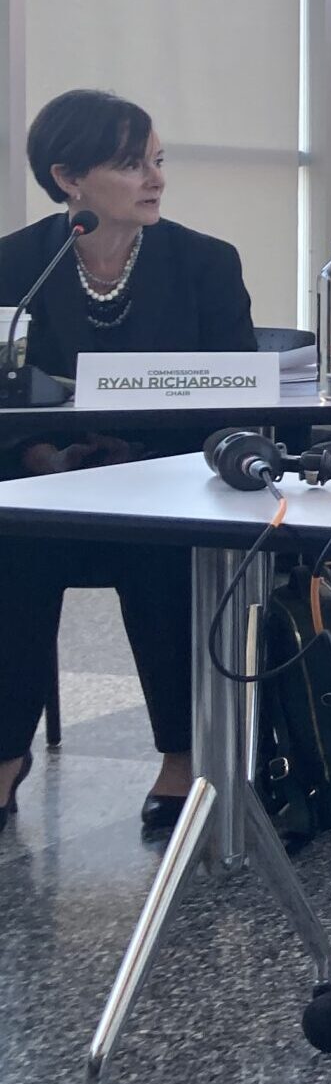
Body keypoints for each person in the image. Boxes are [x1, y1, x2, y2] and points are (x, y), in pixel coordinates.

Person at [0, 90, 258, 832]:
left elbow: (235, 391)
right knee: (11, 545)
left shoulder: (204, 262)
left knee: (162, 546)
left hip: (167, 482)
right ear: (68, 178)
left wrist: (145, 452)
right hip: (50, 486)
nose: (154, 178)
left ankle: (183, 756)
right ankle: (4, 756)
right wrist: (45, 452)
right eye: (129, 164)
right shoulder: (16, 265)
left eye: (157, 160)